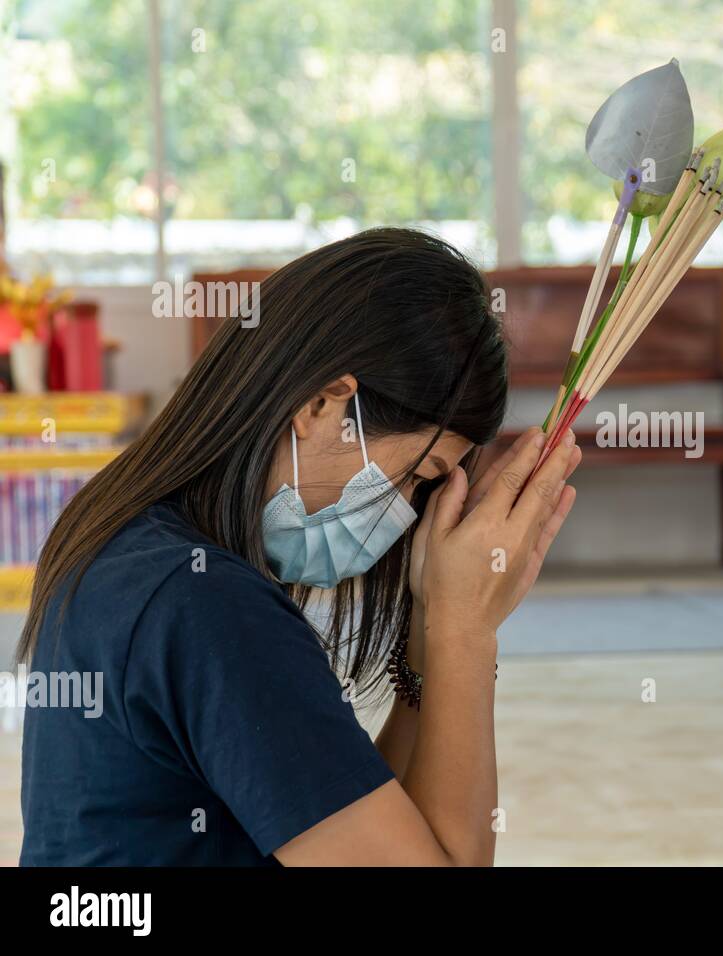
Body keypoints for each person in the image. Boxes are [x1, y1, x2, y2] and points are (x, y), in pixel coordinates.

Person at [18, 227, 580, 865]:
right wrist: (467, 630)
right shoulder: (209, 607)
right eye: (418, 479)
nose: (406, 517)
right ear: (321, 404)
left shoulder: (132, 536)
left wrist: (430, 626)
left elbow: (370, 821)